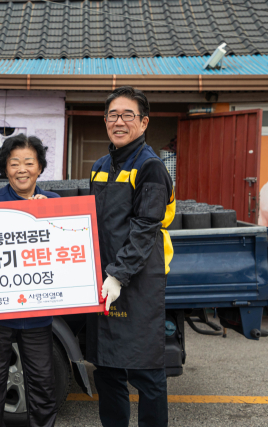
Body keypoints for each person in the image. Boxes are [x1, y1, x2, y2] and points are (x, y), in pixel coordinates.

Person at [87, 86, 175, 427]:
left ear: (144, 122)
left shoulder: (150, 168)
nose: (119, 122)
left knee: (147, 374)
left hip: (137, 284)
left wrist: (118, 276)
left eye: (128, 115)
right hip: (104, 281)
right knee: (107, 370)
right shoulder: (100, 166)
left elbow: (144, 230)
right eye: (113, 115)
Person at [0, 134, 60, 427]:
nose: (22, 169)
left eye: (29, 162)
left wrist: (45, 216)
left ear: (39, 167)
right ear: (5, 168)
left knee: (43, 388)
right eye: (14, 163)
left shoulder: (54, 203)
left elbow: (65, 256)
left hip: (38, 315)